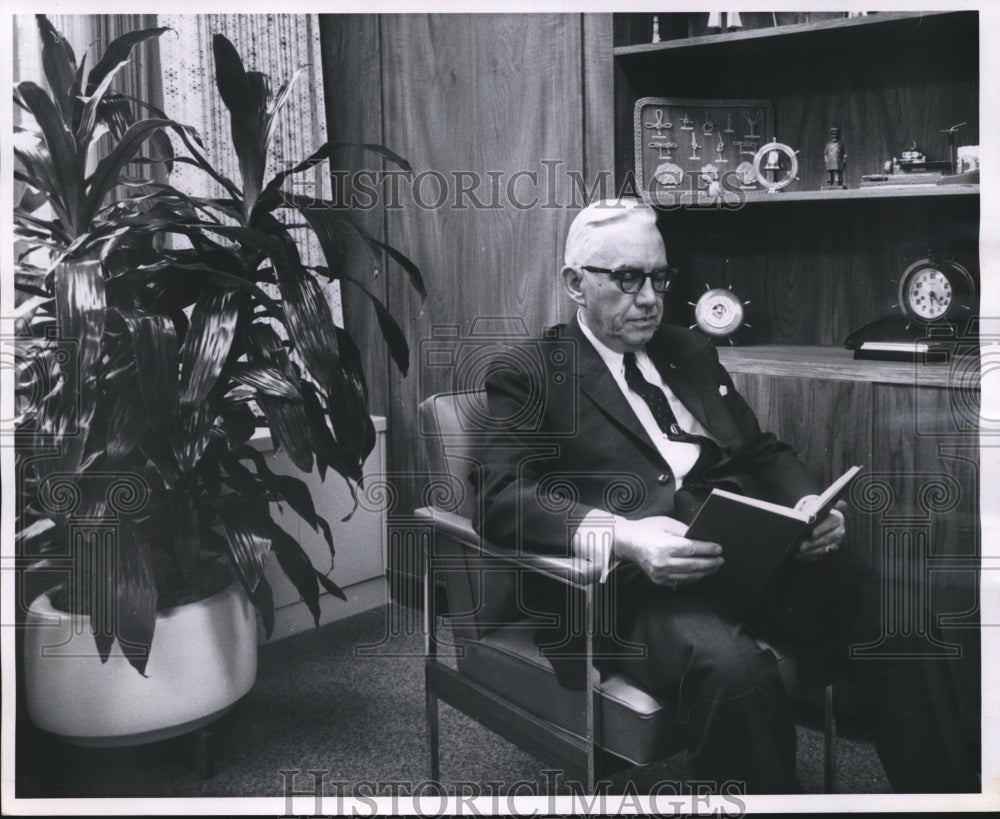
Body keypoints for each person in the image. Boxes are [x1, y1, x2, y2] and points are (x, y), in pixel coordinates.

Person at [473, 198, 977, 794]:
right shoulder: (531, 371)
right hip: (638, 590)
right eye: (628, 278)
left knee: (902, 621)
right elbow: (499, 498)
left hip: (752, 558)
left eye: (659, 278)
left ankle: (944, 798)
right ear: (574, 284)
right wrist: (626, 536)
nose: (649, 298)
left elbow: (760, 450)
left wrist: (807, 504)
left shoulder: (687, 349)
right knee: (735, 674)